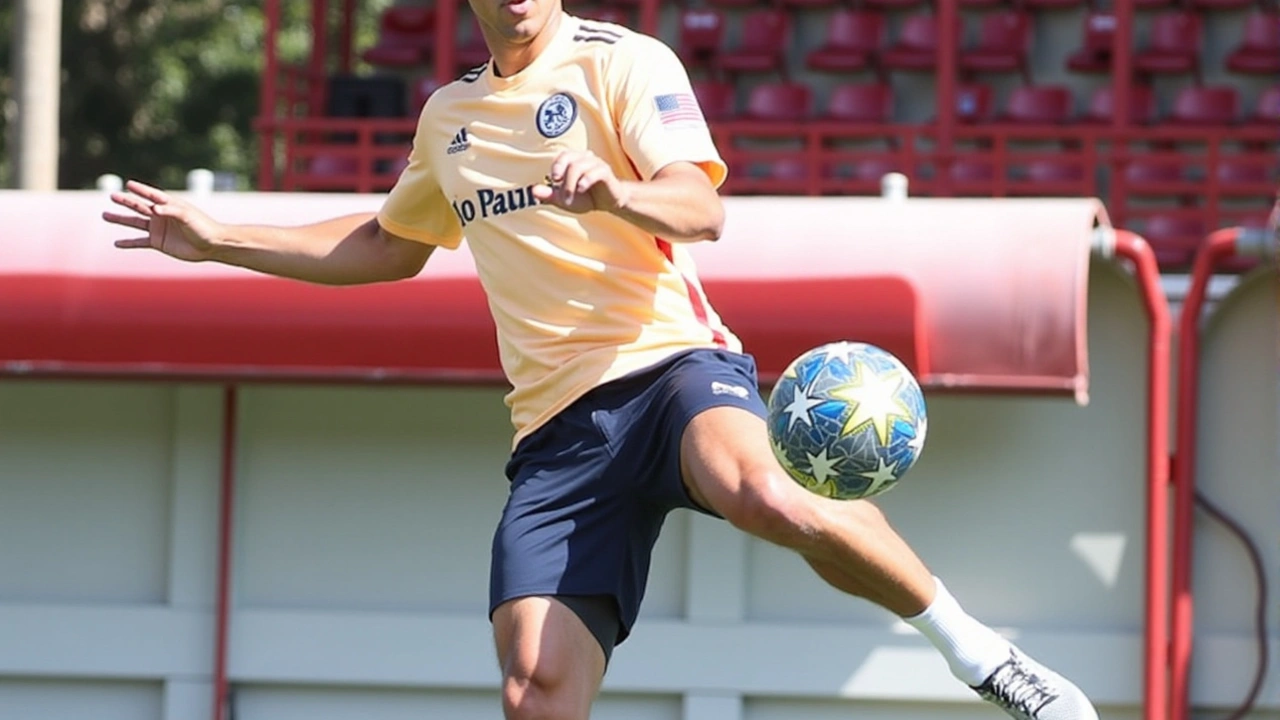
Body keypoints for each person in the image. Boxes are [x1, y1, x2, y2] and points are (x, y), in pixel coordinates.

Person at [102, 0, 1102, 718]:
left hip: (669, 367)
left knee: (767, 493)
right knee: (530, 686)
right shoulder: (447, 119)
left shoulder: (622, 63)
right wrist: (219, 236)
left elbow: (701, 206)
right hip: (554, 432)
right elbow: (390, 244)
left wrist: (615, 195)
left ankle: (983, 660)